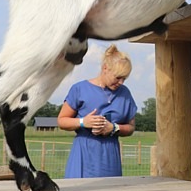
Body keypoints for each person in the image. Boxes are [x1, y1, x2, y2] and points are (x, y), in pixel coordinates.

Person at [57, 44, 137, 178]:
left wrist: (113, 128)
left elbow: (131, 127)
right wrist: (83, 122)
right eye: (118, 77)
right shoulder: (80, 89)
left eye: (124, 78)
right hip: (84, 153)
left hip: (110, 157)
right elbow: (61, 121)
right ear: (105, 68)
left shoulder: (125, 94)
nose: (121, 82)